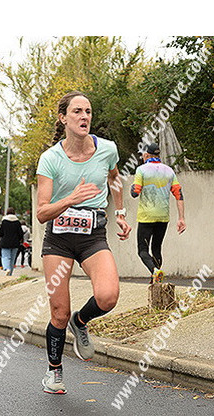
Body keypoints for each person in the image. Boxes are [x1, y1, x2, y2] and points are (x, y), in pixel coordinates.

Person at [36, 91, 131, 394]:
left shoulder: (107, 149)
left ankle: (81, 321)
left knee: (108, 296)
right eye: (77, 111)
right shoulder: (50, 159)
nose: (84, 117)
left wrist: (120, 213)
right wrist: (71, 199)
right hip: (59, 240)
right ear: (63, 118)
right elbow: (41, 212)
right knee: (58, 313)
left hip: (93, 236)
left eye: (88, 111)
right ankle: (54, 372)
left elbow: (115, 178)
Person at [130, 142, 186, 283]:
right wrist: (181, 218)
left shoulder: (141, 170)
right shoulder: (169, 171)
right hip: (163, 217)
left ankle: (154, 271)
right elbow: (179, 194)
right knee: (156, 248)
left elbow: (135, 193)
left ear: (146, 155)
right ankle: (156, 280)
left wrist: (132, 187)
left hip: (146, 217)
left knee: (142, 250)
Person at [0, 207, 23, 276]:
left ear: (7, 213)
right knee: (12, 259)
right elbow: (20, 233)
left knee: (5, 257)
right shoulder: (17, 222)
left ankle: (7, 268)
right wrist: (20, 239)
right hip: (15, 243)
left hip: (5, 243)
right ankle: (10, 274)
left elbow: (1, 232)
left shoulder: (4, 221)